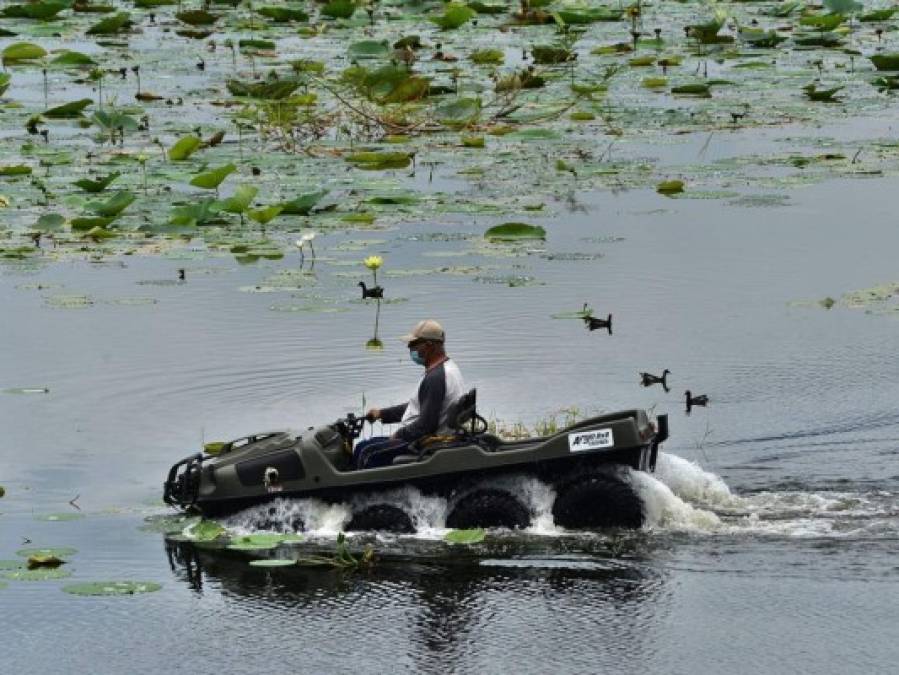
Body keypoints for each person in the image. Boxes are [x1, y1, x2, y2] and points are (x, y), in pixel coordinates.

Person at [353, 319, 466, 469]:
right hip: (427, 437)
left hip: (424, 442)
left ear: (429, 346)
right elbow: (421, 405)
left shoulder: (435, 378)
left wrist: (399, 435)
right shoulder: (448, 367)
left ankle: (364, 492)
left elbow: (426, 425)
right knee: (363, 445)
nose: (409, 348)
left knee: (365, 452)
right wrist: (382, 414)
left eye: (414, 344)